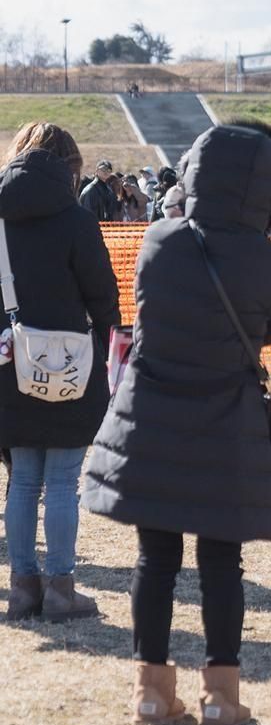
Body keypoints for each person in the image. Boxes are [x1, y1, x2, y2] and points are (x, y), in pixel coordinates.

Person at [82, 120, 271, 725]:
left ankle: (150, 692)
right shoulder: (268, 259)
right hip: (227, 420)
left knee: (155, 560)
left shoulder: (159, 239)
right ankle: (222, 698)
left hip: (152, 416)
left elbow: (147, 310)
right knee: (221, 564)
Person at [0, 122, 121, 622]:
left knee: (23, 480)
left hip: (10, 363)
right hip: (71, 361)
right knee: (63, 481)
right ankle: (61, 588)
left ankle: (23, 587)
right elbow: (102, 295)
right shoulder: (76, 220)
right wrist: (110, 340)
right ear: (69, 167)